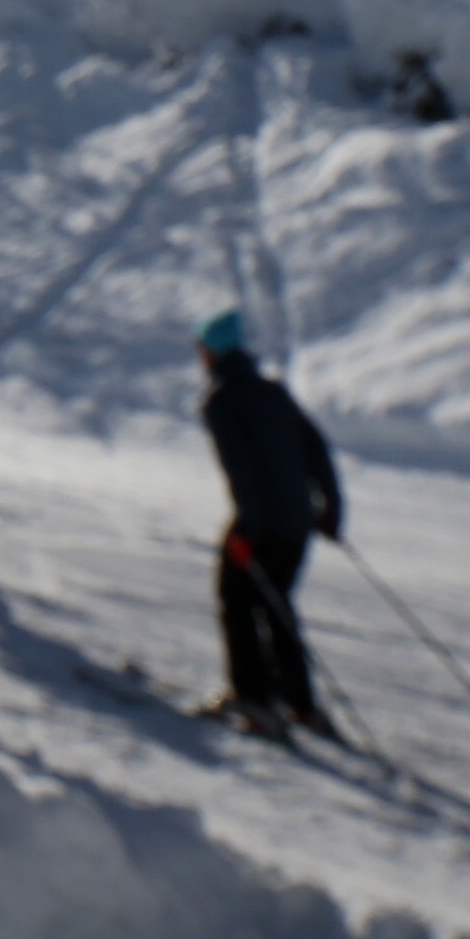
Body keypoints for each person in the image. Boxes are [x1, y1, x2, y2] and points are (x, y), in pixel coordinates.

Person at [196, 309, 342, 739]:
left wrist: (247, 532)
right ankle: (300, 705)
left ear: (210, 352)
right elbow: (316, 449)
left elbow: (242, 471)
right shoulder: (273, 392)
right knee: (278, 607)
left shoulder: (221, 399)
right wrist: (330, 511)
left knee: (236, 603)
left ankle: (255, 702)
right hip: (297, 525)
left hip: (261, 525)